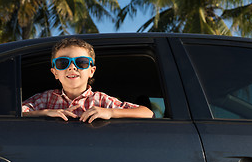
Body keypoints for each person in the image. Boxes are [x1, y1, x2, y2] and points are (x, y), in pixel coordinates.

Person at [22, 37, 154, 123]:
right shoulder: (45, 99)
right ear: (55, 72)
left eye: (81, 62)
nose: (72, 67)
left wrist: (110, 112)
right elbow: (15, 113)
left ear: (91, 71)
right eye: (63, 63)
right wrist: (45, 113)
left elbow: (147, 113)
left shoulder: (101, 100)